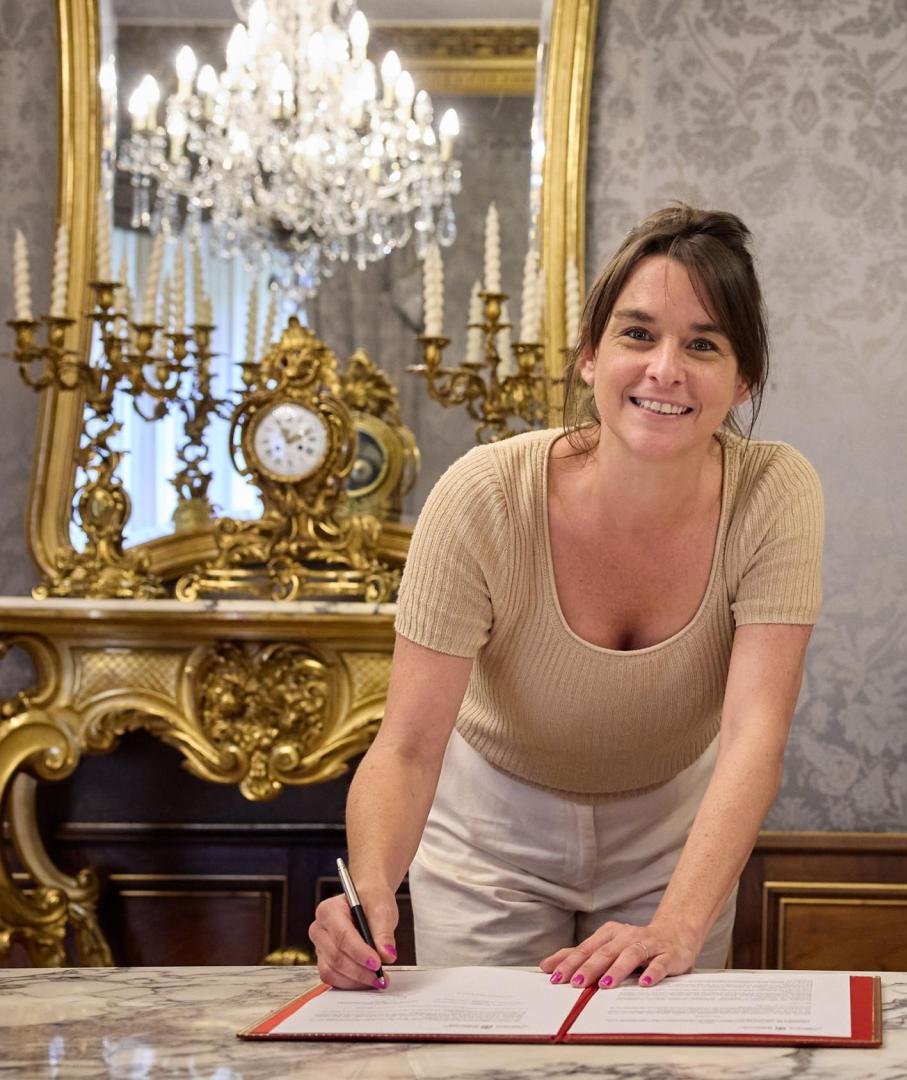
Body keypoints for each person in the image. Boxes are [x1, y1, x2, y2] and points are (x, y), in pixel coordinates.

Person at [308, 205, 824, 992]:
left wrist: (678, 924)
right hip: (492, 835)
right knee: (489, 1052)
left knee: (650, 1050)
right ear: (589, 356)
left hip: (674, 838)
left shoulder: (776, 492)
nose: (665, 369)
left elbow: (755, 737)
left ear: (743, 379)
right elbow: (408, 746)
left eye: (704, 344)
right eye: (638, 334)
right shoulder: (482, 495)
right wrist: (370, 887)